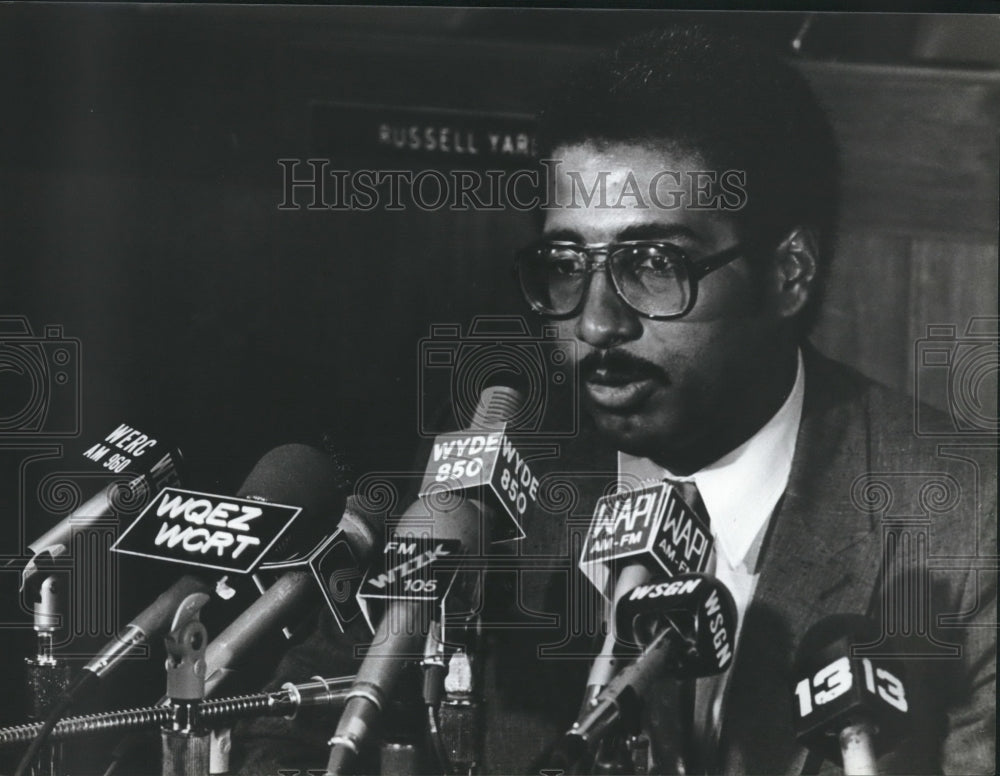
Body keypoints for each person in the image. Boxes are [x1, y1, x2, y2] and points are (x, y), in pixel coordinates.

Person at [233, 24, 996, 775]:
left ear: (788, 273)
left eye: (655, 264)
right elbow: (289, 740)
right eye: (568, 263)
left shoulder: (966, 517)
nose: (597, 322)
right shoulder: (485, 482)